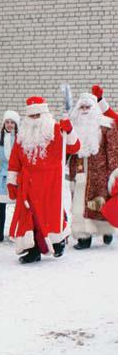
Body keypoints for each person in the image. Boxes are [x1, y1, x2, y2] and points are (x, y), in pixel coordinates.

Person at [7, 96, 81, 263]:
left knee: (50, 214)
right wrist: (12, 181)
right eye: (31, 116)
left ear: (45, 114)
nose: (34, 120)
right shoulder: (22, 134)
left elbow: (75, 147)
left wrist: (69, 131)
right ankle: (33, 250)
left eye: (37, 115)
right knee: (29, 217)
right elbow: (14, 160)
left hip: (50, 182)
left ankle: (58, 241)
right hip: (28, 184)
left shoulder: (55, 129)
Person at [67, 89, 118, 249]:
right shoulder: (73, 126)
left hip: (100, 174)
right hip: (79, 173)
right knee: (79, 205)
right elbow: (68, 149)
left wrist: (113, 172)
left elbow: (113, 150)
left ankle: (106, 231)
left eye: (87, 107)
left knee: (99, 204)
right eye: (81, 107)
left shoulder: (106, 126)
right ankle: (83, 237)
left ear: (94, 108)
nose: (84, 111)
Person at [0, 111, 21, 242]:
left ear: (16, 124)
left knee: (18, 205)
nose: (9, 125)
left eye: (12, 122)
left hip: (17, 175)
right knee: (0, 204)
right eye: (7, 122)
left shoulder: (20, 137)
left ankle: (18, 232)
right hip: (3, 176)